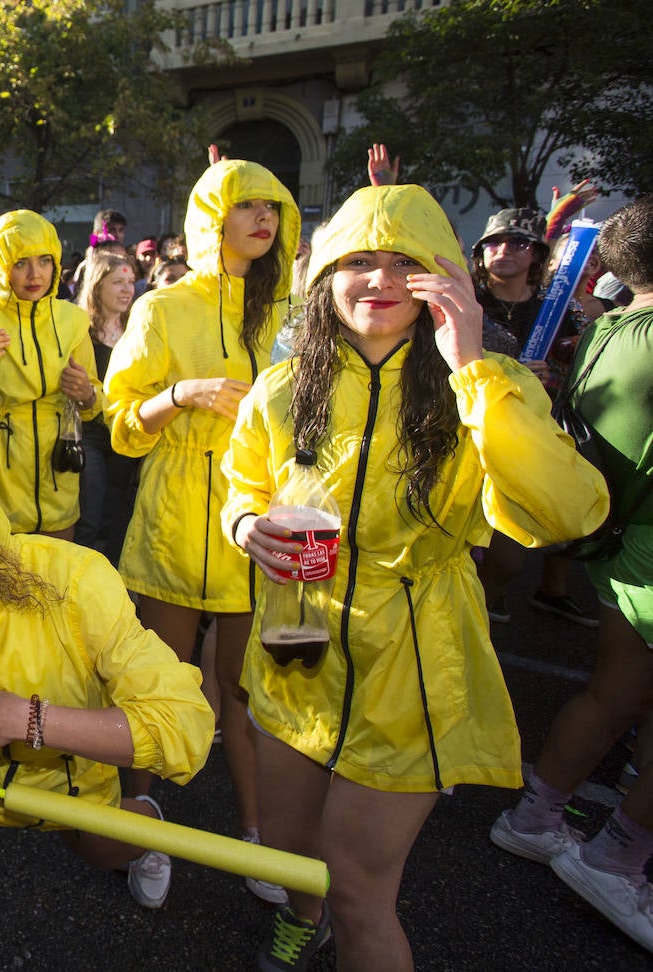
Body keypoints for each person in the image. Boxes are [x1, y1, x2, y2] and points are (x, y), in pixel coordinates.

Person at [222, 183, 609, 971]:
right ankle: (304, 917)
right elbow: (242, 483)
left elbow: (568, 512)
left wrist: (470, 368)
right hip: (297, 642)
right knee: (292, 854)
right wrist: (244, 527)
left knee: (362, 889)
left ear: (445, 279)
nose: (379, 279)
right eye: (358, 260)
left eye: (404, 262)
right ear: (325, 277)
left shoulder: (492, 387)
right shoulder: (280, 387)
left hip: (415, 662)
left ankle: (339, 923)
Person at [0, 421, 215, 969]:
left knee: (106, 846)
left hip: (78, 792)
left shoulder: (75, 579)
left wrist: (32, 721)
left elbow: (186, 726)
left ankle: (146, 823)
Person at [104, 158, 299, 907]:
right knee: (158, 681)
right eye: (245, 204)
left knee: (249, 690)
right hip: (177, 515)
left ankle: (257, 837)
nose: (262, 219)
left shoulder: (294, 308)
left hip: (261, 514)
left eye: (272, 206)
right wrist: (181, 394)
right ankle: (139, 823)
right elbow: (119, 423)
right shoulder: (163, 309)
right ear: (211, 215)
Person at [490, 196, 653, 954]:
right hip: (634, 541)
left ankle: (545, 816)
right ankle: (615, 850)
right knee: (617, 693)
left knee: (617, 693)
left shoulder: (608, 329)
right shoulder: (632, 332)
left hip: (615, 532)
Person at [0, 209, 102, 540]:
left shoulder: (73, 320)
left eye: (44, 260)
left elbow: (94, 404)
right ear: (1, 264)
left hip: (57, 480)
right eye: (21, 261)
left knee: (55, 583)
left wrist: (86, 393)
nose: (35, 273)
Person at [469, 207, 598, 627]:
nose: (503, 250)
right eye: (494, 242)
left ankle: (486, 604)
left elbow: (592, 354)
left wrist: (555, 374)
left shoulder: (557, 308)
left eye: (518, 242)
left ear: (537, 256)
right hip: (462, 431)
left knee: (507, 556)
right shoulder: (464, 298)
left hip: (524, 438)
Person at [74, 250, 139, 564]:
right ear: (97, 286)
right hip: (91, 435)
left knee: (120, 519)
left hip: (128, 436)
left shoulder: (139, 333)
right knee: (90, 518)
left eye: (131, 281)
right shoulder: (79, 333)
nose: (128, 289)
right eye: (118, 282)